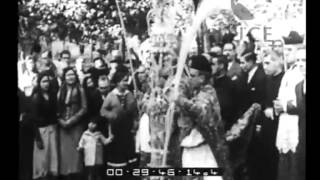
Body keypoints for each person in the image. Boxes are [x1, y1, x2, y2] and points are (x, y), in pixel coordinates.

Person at [174, 55, 231, 180]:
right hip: (189, 151)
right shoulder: (191, 91)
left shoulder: (209, 92)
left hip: (206, 150)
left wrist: (179, 99)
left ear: (202, 77)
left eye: (193, 76)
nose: (189, 79)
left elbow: (200, 111)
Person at [274, 48, 306, 180]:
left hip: (297, 125)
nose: (300, 64)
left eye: (303, 60)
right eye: (298, 60)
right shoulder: (291, 75)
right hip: (287, 123)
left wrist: (286, 107)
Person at [100, 66, 139, 173]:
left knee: (129, 155)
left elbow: (135, 111)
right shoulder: (111, 96)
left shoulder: (130, 94)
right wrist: (113, 115)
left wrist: (135, 122)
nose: (126, 83)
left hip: (128, 129)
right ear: (117, 82)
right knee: (118, 156)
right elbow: (103, 111)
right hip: (116, 129)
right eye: (124, 81)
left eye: (127, 81)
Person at [238, 52, 266, 180]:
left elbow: (260, 99)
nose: (241, 65)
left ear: (251, 62)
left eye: (243, 62)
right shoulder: (246, 75)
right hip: (248, 118)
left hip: (256, 119)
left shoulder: (260, 76)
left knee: (256, 150)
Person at [57, 67, 87, 180]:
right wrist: (60, 120)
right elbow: (57, 107)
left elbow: (84, 108)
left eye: (72, 75)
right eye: (68, 75)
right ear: (64, 77)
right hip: (62, 125)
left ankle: (76, 175)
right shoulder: (60, 90)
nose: (70, 77)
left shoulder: (80, 89)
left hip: (76, 125)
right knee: (64, 152)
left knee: (76, 153)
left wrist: (71, 121)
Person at [260, 50, 285, 180]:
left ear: (277, 62)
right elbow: (264, 99)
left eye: (268, 63)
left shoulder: (285, 79)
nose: (264, 67)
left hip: (280, 125)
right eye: (263, 63)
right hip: (268, 125)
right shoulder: (267, 79)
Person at [30, 71, 59, 180]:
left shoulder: (52, 95)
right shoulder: (36, 98)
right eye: (43, 81)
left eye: (47, 81)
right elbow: (33, 120)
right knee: (42, 160)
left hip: (53, 129)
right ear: (39, 83)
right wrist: (37, 138)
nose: (46, 84)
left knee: (53, 158)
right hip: (41, 131)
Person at [210, 54, 237, 131]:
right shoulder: (213, 82)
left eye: (213, 64)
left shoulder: (229, 84)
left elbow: (225, 106)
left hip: (224, 125)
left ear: (221, 66)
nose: (211, 67)